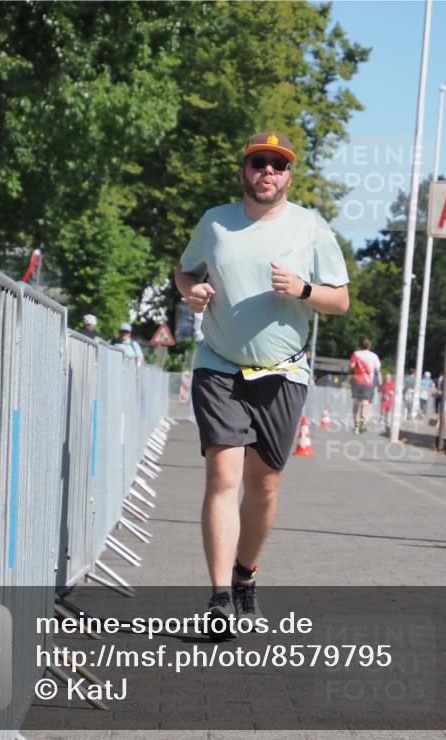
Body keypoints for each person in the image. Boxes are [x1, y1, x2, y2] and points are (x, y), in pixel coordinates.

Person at [173, 131, 349, 636]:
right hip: (220, 365)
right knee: (222, 478)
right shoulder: (215, 222)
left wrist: (304, 289)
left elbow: (340, 301)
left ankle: (245, 575)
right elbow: (183, 274)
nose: (266, 172)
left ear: (289, 175)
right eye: (258, 163)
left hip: (283, 372)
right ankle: (219, 599)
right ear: (243, 170)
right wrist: (194, 291)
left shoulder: (310, 228)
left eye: (277, 164)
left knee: (264, 485)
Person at [349, 338, 380, 434]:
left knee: (355, 403)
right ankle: (363, 420)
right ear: (369, 346)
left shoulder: (356, 354)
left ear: (360, 345)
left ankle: (356, 426)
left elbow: (352, 366)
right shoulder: (374, 356)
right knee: (365, 403)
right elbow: (377, 370)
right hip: (368, 382)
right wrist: (380, 382)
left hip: (356, 381)